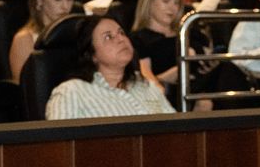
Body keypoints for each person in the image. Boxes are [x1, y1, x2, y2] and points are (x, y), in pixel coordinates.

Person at [45, 14, 173, 119]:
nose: (121, 39)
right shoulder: (72, 92)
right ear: (92, 54)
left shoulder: (145, 85)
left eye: (121, 33)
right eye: (108, 37)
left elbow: (177, 131)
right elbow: (60, 142)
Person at [8, 0, 75, 83]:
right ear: (39, 1)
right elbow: (26, 88)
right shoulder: (24, 39)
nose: (65, 6)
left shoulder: (75, 34)